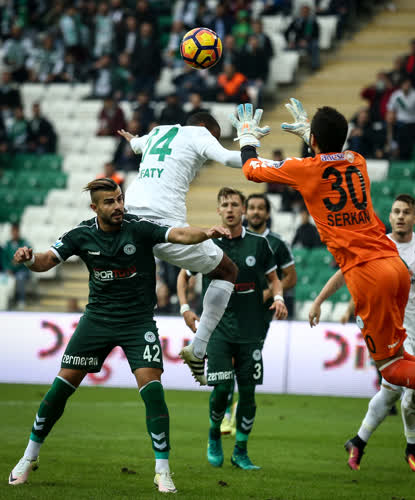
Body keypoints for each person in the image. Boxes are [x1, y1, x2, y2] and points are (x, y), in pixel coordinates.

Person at [231, 99, 415, 451]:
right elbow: (332, 155)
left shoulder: (306, 169)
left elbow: (251, 169)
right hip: (394, 264)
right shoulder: (357, 160)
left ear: (313, 140)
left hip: (367, 274)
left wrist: (247, 138)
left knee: (391, 369)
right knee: (400, 357)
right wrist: (312, 138)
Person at [7, 177, 230, 493]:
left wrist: (206, 233)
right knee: (60, 389)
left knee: (153, 392)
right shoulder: (80, 235)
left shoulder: (138, 227)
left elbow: (179, 234)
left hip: (137, 323)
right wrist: (29, 259)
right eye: (110, 202)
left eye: (120, 199)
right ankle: (28, 457)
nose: (118, 206)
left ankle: (162, 471)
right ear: (94, 207)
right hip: (97, 321)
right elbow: (45, 262)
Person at [309, 195, 415, 473]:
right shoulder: (376, 244)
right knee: (412, 389)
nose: (401, 216)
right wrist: (319, 300)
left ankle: (358, 441)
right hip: (386, 327)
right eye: (396, 212)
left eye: (406, 212)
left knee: (391, 391)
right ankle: (413, 448)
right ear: (390, 217)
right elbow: (346, 273)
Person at [117, 112, 243, 385]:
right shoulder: (199, 134)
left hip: (128, 221)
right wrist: (252, 147)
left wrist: (132, 139)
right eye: (213, 137)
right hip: (164, 227)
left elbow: (138, 145)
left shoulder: (158, 132)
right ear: (204, 127)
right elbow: (229, 158)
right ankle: (198, 349)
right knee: (227, 271)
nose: (209, 147)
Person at [177, 187, 287, 470]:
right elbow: (183, 277)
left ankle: (241, 451)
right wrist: (185, 308)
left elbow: (275, 279)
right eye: (224, 205)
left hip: (251, 331)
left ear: (243, 210)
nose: (229, 209)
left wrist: (278, 298)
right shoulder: (207, 245)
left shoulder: (259, 245)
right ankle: (214, 434)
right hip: (218, 331)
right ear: (218, 210)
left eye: (234, 204)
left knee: (248, 393)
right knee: (222, 388)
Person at [387, 78, 415, 159]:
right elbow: (391, 111)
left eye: (408, 84)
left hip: (413, 123)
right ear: (401, 85)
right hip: (400, 123)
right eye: (405, 84)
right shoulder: (396, 95)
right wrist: (391, 121)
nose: (406, 86)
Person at [2, 223, 31, 308]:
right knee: (3, 278)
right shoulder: (7, 244)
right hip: (9, 270)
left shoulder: (25, 244)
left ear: (18, 232)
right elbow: (4, 259)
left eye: (16, 231)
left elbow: (27, 259)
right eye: (13, 231)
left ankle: (21, 300)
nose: (14, 233)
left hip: (22, 270)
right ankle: (5, 301)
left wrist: (14, 267)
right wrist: (7, 268)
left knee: (20, 277)